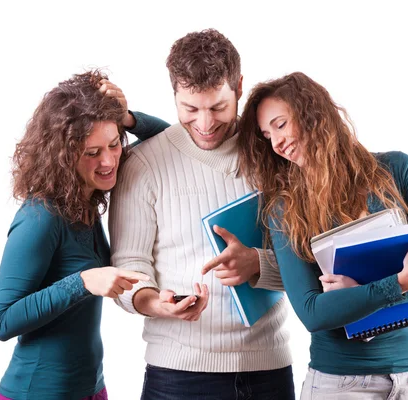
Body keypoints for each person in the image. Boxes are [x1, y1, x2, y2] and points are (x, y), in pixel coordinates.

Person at [237, 71, 408, 399]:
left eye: (281, 124)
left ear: (312, 113)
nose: (276, 142)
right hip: (342, 383)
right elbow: (313, 312)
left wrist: (360, 294)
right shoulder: (283, 210)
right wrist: (398, 283)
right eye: (267, 135)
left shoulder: (396, 170)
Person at [108, 29, 294, 400]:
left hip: (268, 369)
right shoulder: (143, 164)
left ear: (240, 87)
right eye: (190, 109)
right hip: (177, 375)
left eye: (218, 107)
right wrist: (153, 301)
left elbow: (310, 259)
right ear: (174, 94)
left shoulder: (277, 152)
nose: (205, 124)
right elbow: (129, 265)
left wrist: (258, 264)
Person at [0, 70, 168, 400]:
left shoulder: (85, 198)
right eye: (92, 153)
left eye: (114, 145)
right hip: (38, 392)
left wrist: (127, 117)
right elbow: (1, 320)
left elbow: (168, 143)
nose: (108, 161)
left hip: (90, 388)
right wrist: (82, 282)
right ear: (64, 155)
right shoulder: (40, 217)